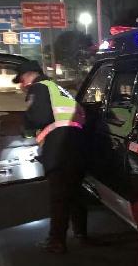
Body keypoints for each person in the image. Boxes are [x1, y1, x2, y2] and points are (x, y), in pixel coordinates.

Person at [13, 60, 87, 253]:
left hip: (59, 147)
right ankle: (81, 233)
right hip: (77, 142)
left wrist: (25, 122)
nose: (21, 85)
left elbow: (39, 117)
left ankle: (56, 241)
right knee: (75, 192)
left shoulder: (38, 87)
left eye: (21, 80)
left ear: (29, 75)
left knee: (59, 196)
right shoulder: (57, 87)